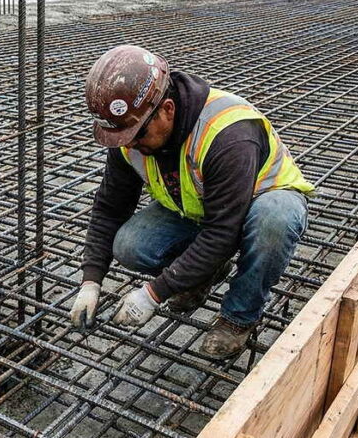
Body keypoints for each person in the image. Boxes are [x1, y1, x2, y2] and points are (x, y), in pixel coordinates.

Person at [68, 45, 315, 359]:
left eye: (137, 135)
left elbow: (222, 232)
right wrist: (91, 280)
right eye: (123, 137)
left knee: (274, 220)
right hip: (199, 209)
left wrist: (152, 294)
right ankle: (204, 272)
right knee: (130, 245)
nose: (130, 145)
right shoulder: (131, 134)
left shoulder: (226, 134)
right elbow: (110, 208)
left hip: (262, 201)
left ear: (168, 109)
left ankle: (238, 317)